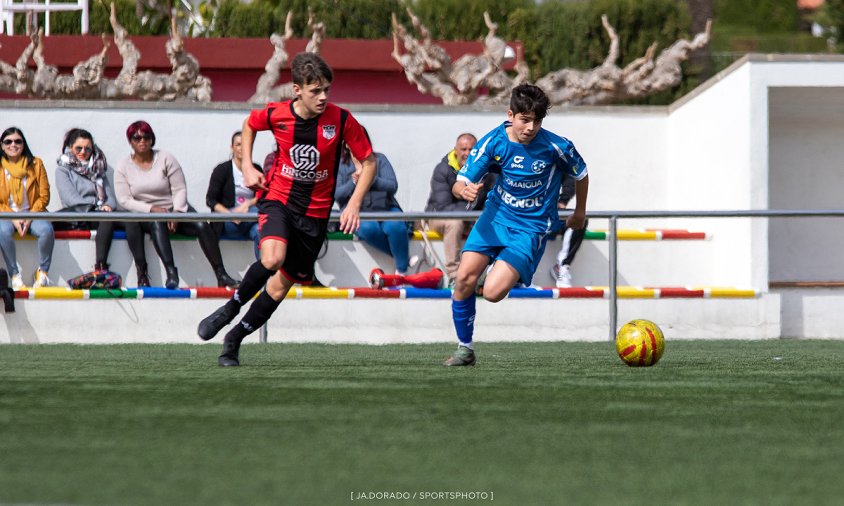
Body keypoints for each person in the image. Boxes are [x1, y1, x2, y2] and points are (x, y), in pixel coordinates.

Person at [197, 52, 376, 366]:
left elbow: (369, 161)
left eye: (326, 91)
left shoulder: (342, 119)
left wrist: (355, 203)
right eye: (315, 91)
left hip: (316, 216)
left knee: (281, 286)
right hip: (279, 200)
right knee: (272, 258)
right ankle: (229, 309)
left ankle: (233, 339)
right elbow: (249, 124)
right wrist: (249, 168)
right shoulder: (278, 114)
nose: (323, 97)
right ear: (297, 90)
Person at [445, 83, 589, 366]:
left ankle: (500, 265)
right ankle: (465, 348)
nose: (531, 127)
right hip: (495, 218)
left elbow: (582, 174)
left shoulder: (556, 146)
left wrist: (580, 212)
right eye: (525, 119)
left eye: (537, 121)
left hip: (530, 228)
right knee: (462, 279)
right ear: (510, 115)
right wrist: (463, 190)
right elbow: (459, 183)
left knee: (493, 293)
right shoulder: (493, 141)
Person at [114, 120, 240, 289]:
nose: (142, 141)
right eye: (137, 138)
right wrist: (152, 209)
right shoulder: (123, 166)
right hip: (146, 213)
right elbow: (125, 200)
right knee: (157, 223)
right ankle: (171, 273)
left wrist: (177, 213)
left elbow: (179, 188)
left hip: (175, 209)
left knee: (203, 225)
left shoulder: (165, 158)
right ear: (130, 141)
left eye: (146, 137)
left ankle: (221, 274)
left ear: (152, 139)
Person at [423, 132, 496, 287]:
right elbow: (443, 206)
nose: (467, 154)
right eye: (463, 149)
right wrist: (469, 206)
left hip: (469, 217)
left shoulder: (488, 171)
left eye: (471, 149)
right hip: (438, 216)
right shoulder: (443, 169)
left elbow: (492, 201)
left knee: (494, 222)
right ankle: (454, 276)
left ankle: (488, 273)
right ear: (455, 150)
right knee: (455, 223)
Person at [335, 128, 410, 275]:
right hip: (357, 211)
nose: (356, 143)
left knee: (395, 227)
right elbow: (338, 195)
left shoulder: (380, 159)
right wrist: (353, 181)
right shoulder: (340, 165)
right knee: (369, 229)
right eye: (352, 140)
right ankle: (404, 260)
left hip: (385, 207)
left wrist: (369, 178)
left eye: (360, 139)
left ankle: (401, 272)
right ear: (346, 144)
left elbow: (392, 186)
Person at [54, 128, 120, 273]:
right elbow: (71, 200)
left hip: (102, 213)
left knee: (132, 222)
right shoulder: (63, 170)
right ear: (71, 148)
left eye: (87, 149)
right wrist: (98, 209)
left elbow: (111, 199)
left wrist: (108, 205)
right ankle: (101, 267)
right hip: (81, 215)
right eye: (79, 148)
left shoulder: (98, 169)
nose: (83, 152)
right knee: (107, 219)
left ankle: (143, 273)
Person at [0, 127, 54, 289]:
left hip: (33, 213)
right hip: (5, 214)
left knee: (46, 230)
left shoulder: (36, 164)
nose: (13, 145)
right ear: (2, 146)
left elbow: (44, 196)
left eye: (18, 141)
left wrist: (29, 217)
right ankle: (15, 274)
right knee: (3, 232)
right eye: (8, 142)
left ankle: (43, 273)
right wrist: (14, 218)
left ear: (24, 144)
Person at [206, 131, 261, 260]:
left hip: (251, 219)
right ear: (232, 147)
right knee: (263, 212)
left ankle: (264, 274)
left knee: (261, 232)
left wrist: (247, 205)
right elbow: (210, 200)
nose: (242, 148)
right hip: (228, 220)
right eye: (238, 144)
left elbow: (263, 195)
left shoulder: (256, 169)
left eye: (245, 144)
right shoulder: (222, 170)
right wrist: (231, 214)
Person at [548, 173, 588, 288]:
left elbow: (574, 175)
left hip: (551, 214)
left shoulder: (558, 156)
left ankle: (562, 266)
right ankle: (518, 275)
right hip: (525, 212)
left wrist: (563, 200)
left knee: (579, 220)